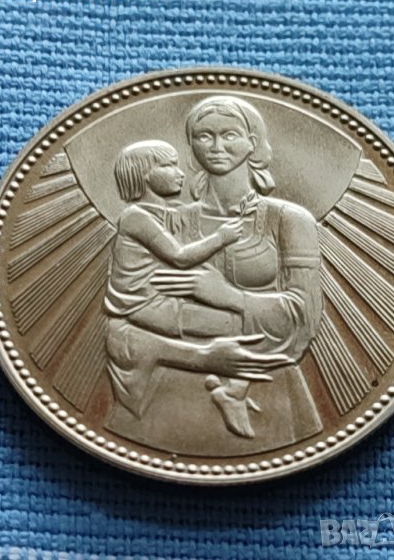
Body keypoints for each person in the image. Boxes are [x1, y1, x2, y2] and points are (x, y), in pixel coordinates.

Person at [105, 96, 323, 456]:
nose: (216, 146)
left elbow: (305, 317)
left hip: (269, 391)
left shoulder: (288, 220)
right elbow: (121, 323)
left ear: (253, 143)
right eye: (204, 136)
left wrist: (228, 296)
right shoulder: (168, 222)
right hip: (163, 394)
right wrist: (202, 357)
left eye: (229, 135)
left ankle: (234, 392)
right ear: (191, 146)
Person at [105, 139, 290, 421]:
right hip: (145, 306)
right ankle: (233, 392)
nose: (180, 173)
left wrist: (241, 213)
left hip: (165, 300)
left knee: (246, 318)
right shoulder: (134, 217)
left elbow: (191, 229)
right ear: (145, 175)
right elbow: (179, 257)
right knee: (239, 322)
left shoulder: (165, 213)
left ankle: (231, 389)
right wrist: (221, 238)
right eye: (168, 166)